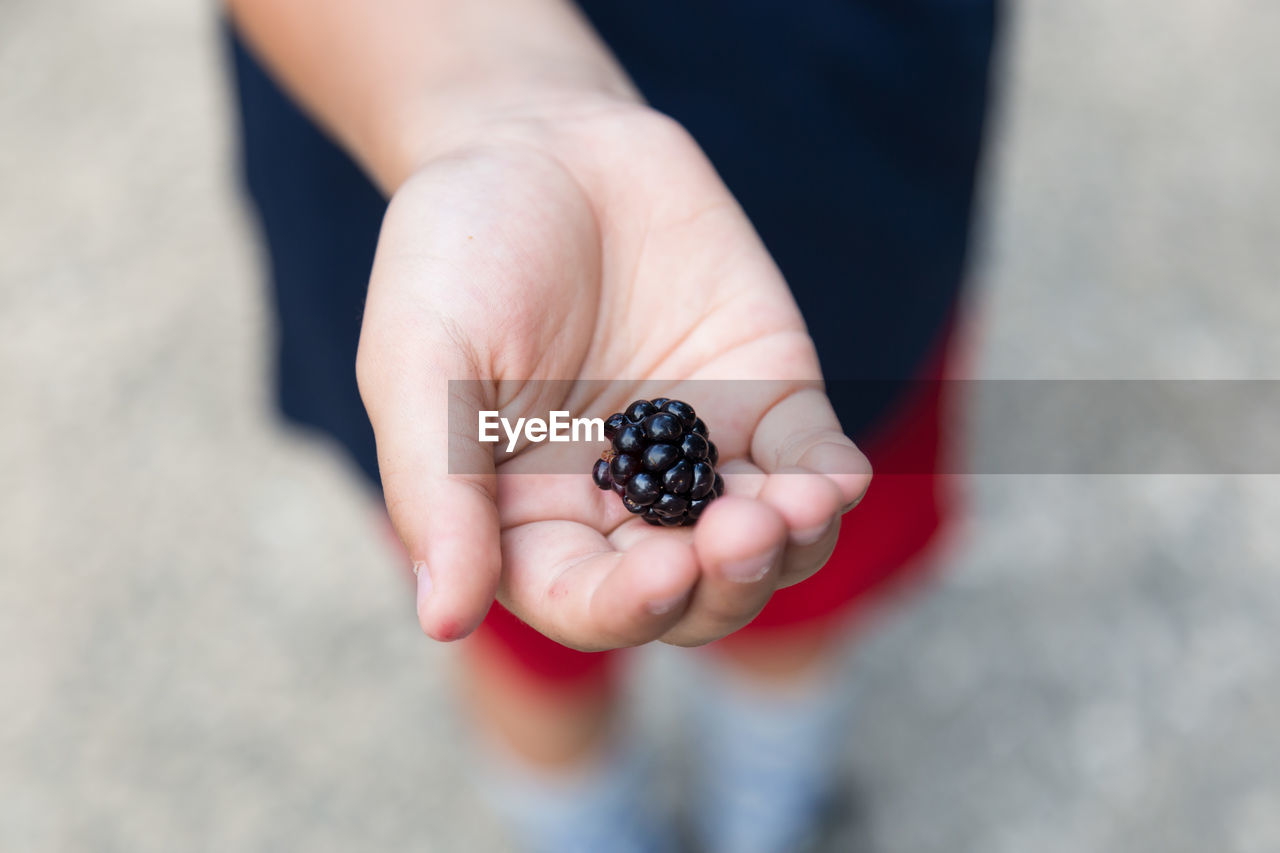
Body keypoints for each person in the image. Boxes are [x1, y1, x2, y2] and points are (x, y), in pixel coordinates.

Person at [223, 1, 998, 850]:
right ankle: (590, 833)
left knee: (798, 588)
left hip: (855, 169)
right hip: (452, 190)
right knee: (533, 635)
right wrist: (509, 116)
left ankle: (770, 815)